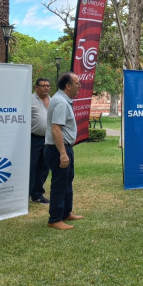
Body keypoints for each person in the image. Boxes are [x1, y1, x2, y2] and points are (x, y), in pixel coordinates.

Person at [44, 72, 84, 230]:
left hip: (64, 148)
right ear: (68, 86)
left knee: (67, 180)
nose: (79, 86)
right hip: (57, 149)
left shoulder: (63, 100)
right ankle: (55, 219)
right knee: (60, 183)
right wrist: (62, 153)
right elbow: (56, 129)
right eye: (77, 83)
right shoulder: (60, 102)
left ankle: (66, 212)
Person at [29, 77, 51, 204]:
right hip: (33, 138)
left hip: (48, 139)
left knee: (44, 167)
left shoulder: (52, 100)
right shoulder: (30, 100)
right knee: (32, 166)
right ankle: (26, 193)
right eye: (43, 86)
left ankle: (37, 194)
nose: (46, 88)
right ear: (36, 87)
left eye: (48, 86)